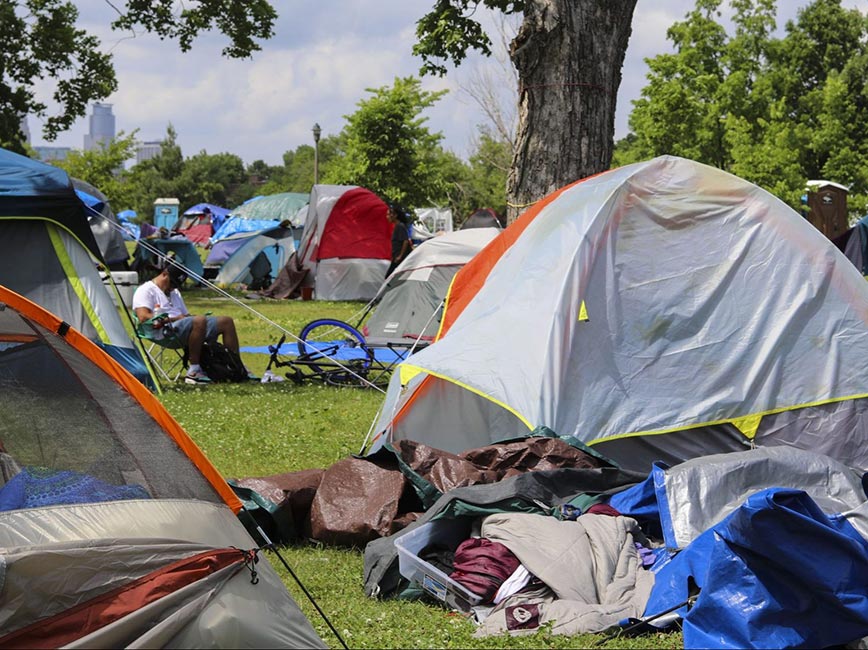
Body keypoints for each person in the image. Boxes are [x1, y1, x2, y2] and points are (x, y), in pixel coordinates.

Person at [132, 264, 251, 384]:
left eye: (176, 285)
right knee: (199, 321)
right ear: (164, 274)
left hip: (183, 326)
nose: (173, 288)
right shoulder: (145, 290)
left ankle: (236, 365)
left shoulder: (175, 292)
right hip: (162, 330)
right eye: (172, 283)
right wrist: (175, 318)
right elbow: (143, 316)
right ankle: (194, 370)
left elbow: (185, 315)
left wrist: (188, 318)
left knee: (226, 321)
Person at [386, 201, 413, 277]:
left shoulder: (400, 226)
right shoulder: (397, 226)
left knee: (389, 276)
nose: (387, 217)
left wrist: (400, 256)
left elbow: (405, 241)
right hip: (396, 257)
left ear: (395, 215)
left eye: (389, 214)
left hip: (399, 258)